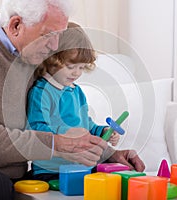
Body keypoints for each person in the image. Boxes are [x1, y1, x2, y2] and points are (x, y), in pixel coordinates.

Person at [0, 0, 145, 199]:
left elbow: (62, 122)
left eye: (59, 36)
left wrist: (110, 154)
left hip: (10, 177)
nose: (55, 46)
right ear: (16, 25)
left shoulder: (34, 59)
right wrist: (60, 143)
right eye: (49, 35)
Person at [26, 22, 120, 181]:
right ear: (52, 59)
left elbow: (86, 124)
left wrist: (102, 131)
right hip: (51, 169)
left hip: (82, 166)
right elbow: (37, 128)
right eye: (71, 67)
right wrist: (67, 133)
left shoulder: (77, 92)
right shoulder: (42, 92)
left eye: (82, 67)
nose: (76, 73)